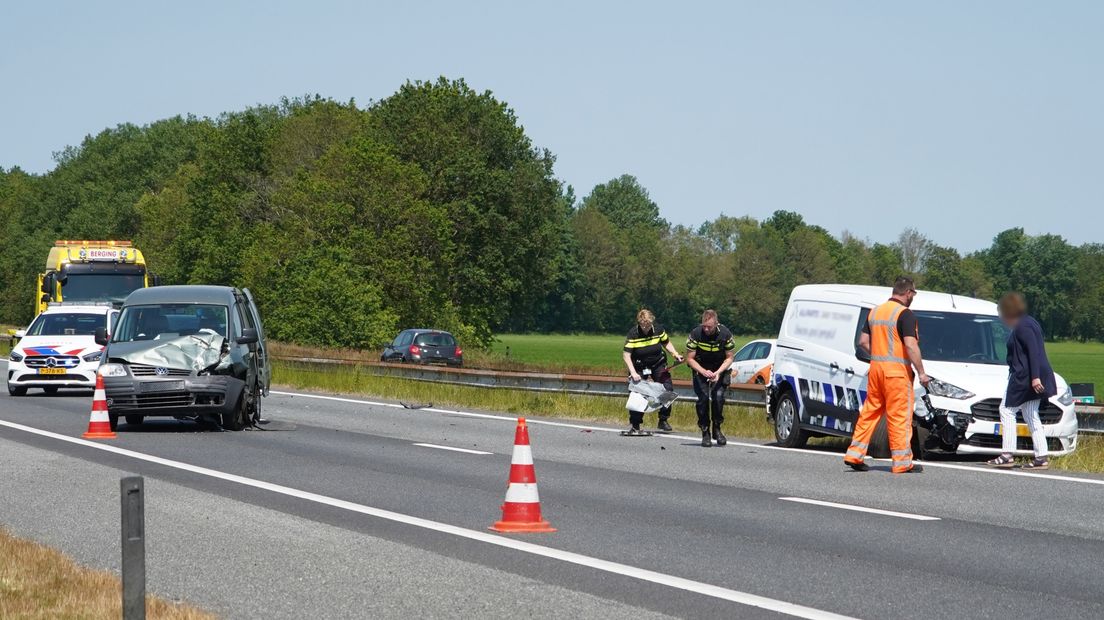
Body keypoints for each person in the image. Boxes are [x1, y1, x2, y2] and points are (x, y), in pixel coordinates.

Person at [844, 276, 930, 473]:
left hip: (876, 371)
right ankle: (902, 462)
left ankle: (854, 455)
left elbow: (863, 342)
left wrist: (879, 355)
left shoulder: (875, 311)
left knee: (869, 412)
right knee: (899, 416)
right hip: (897, 374)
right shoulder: (905, 314)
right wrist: (922, 373)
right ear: (908, 293)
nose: (913, 297)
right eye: (913, 293)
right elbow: (910, 345)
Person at [987, 292, 1057, 470]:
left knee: (1006, 410)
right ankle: (1041, 456)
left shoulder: (1022, 326)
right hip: (1032, 375)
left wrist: (1034, 377)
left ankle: (1007, 454)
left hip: (1024, 376)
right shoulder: (1030, 321)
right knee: (1030, 414)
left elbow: (1032, 351)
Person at [623, 308, 683, 433]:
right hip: (639, 366)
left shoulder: (659, 329)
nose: (646, 328)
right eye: (643, 325)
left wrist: (675, 354)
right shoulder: (633, 334)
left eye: (648, 325)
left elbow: (666, 343)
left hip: (658, 364)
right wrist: (633, 373)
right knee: (637, 394)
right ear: (639, 323)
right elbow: (626, 355)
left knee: (668, 389)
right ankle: (635, 424)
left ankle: (663, 419)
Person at [685, 309, 736, 447]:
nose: (706, 329)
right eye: (704, 326)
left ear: (716, 324)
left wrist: (718, 372)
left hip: (719, 368)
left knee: (718, 398)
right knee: (703, 398)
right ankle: (705, 431)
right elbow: (689, 359)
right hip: (701, 368)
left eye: (710, 327)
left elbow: (730, 357)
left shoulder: (726, 334)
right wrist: (703, 371)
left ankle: (717, 428)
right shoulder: (696, 334)